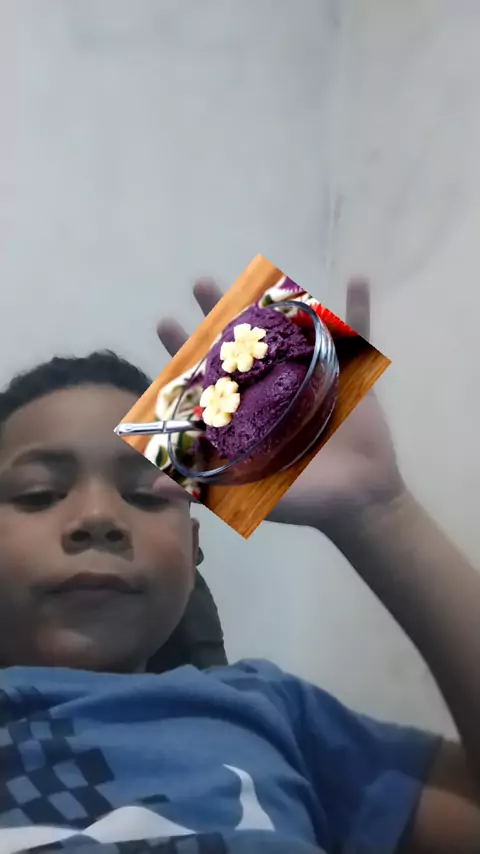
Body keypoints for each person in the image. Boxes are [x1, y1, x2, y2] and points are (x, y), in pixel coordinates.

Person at [0, 278, 478, 854]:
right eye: (37, 494)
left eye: (146, 495)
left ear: (193, 548)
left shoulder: (272, 714)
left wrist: (378, 513)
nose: (98, 517)